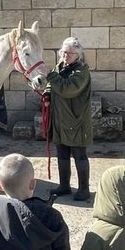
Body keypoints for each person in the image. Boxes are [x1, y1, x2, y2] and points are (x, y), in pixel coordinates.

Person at [44, 36, 93, 201]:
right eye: (64, 52)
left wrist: (50, 76)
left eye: (70, 53)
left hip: (76, 120)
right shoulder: (60, 66)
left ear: (77, 55)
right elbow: (53, 84)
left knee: (80, 156)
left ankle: (84, 189)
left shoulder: (81, 72)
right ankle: (64, 185)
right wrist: (47, 93)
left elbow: (68, 89)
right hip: (59, 119)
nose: (66, 56)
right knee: (62, 155)